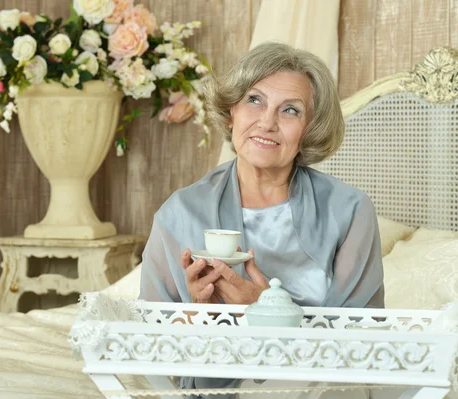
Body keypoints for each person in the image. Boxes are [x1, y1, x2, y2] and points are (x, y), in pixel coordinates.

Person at [138, 42, 384, 396]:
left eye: (290, 110)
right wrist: (198, 318)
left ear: (310, 129)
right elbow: (151, 344)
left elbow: (364, 345)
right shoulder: (180, 212)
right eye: (254, 100)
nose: (267, 123)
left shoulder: (349, 211)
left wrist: (268, 310)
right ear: (231, 112)